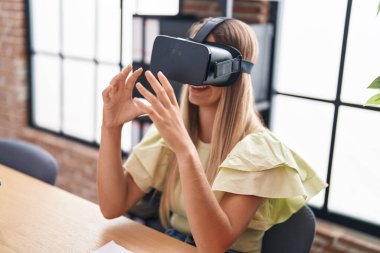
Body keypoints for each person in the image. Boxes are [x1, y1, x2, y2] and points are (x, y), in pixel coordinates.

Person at [97, 17, 327, 253]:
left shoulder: (258, 152)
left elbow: (213, 245)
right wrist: (111, 127)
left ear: (233, 69)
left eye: (208, 61)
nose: (197, 76)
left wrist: (185, 150)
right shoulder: (172, 132)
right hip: (172, 245)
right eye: (193, 59)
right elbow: (113, 205)